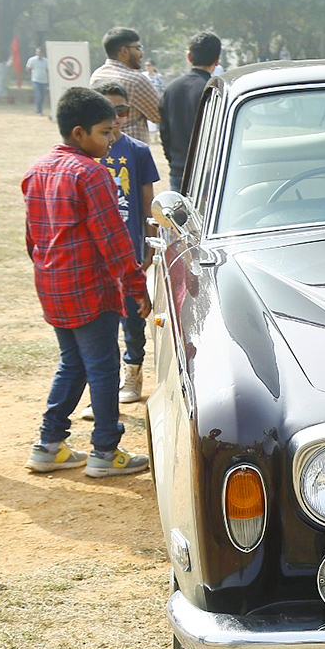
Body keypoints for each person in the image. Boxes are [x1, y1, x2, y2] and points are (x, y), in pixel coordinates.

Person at [21, 86, 151, 477]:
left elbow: (32, 238)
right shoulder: (91, 173)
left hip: (52, 285)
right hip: (90, 288)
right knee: (102, 366)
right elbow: (114, 240)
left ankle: (49, 443)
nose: (111, 140)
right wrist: (135, 285)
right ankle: (105, 452)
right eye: (104, 132)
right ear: (79, 134)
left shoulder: (36, 170)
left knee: (73, 363)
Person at [87, 81, 158, 410]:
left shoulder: (138, 151)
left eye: (121, 111)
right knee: (99, 323)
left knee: (133, 319)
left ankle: (134, 372)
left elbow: (147, 204)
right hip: (93, 256)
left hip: (128, 252)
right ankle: (103, 383)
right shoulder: (85, 152)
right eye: (107, 110)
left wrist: (150, 245)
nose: (115, 118)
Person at [159, 31, 220, 191]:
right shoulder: (214, 90)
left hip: (180, 171)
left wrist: (174, 160)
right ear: (217, 60)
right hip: (209, 173)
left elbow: (165, 132)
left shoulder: (171, 89)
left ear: (189, 57)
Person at [89, 27, 159, 143]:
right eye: (137, 48)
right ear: (124, 51)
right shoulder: (136, 80)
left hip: (103, 148)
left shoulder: (97, 75)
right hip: (131, 150)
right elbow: (159, 115)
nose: (141, 54)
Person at [25, 47, 50, 117]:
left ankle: (39, 108)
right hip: (35, 80)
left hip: (44, 81)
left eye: (40, 52)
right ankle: (39, 110)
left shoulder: (46, 61)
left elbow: (48, 70)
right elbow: (28, 69)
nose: (38, 54)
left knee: (42, 96)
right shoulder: (32, 60)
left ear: (42, 53)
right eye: (37, 52)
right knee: (38, 95)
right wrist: (31, 76)